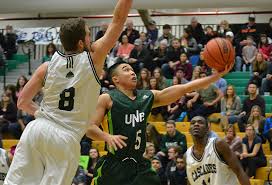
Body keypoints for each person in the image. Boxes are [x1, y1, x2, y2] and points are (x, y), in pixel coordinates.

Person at [4, 1, 133, 184]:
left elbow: (22, 103)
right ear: (81, 43)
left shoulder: (46, 67)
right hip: (65, 137)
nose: (91, 39)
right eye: (89, 35)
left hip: (36, 129)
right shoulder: (94, 58)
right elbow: (118, 20)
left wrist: (42, 114)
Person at [86, 60, 232, 185]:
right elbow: (89, 128)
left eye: (132, 70)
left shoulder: (147, 96)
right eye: (126, 70)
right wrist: (107, 137)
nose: (132, 72)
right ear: (115, 79)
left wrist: (216, 76)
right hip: (114, 164)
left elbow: (185, 88)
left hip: (139, 165)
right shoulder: (107, 98)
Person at [185, 116, 250, 185]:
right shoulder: (187, 156)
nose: (196, 124)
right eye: (193, 123)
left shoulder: (218, 144)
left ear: (207, 129)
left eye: (200, 122)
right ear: (189, 130)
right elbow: (190, 181)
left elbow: (239, 171)